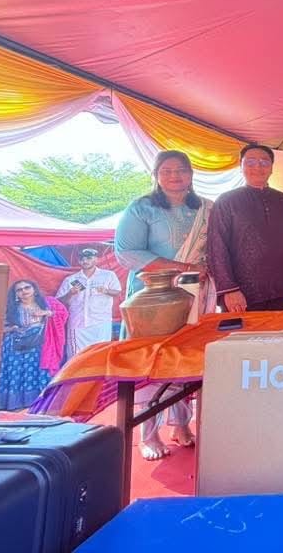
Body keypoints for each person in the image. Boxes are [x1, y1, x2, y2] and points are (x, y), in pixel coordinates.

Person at [115, 150, 212, 460]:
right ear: (156, 175)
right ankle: (149, 433)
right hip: (152, 298)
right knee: (153, 361)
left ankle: (182, 424)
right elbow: (127, 253)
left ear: (191, 174)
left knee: (186, 358)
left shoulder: (206, 209)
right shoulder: (142, 208)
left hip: (194, 293)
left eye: (181, 170)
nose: (174, 176)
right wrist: (181, 267)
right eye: (167, 170)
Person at [207, 144, 283, 312]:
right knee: (242, 330)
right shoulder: (226, 201)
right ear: (240, 166)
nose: (257, 167)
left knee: (281, 329)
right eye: (250, 162)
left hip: (281, 290)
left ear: (272, 168)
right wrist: (229, 289)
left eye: (264, 162)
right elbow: (216, 247)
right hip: (241, 295)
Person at [0, 280, 69, 411]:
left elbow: (63, 314)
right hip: (16, 347)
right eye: (19, 290)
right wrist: (12, 328)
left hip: (40, 346)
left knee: (38, 372)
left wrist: (47, 313)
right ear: (15, 294)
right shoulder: (10, 308)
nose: (24, 291)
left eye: (27, 287)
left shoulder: (48, 303)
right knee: (17, 373)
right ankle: (16, 406)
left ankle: (41, 404)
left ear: (34, 289)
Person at [57, 248, 122, 356]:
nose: (85, 261)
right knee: (76, 356)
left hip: (100, 322)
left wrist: (106, 291)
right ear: (79, 261)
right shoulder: (71, 279)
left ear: (96, 259)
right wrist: (70, 293)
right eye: (82, 259)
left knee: (100, 354)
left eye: (89, 258)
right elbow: (58, 302)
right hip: (78, 323)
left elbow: (117, 292)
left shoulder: (108, 275)